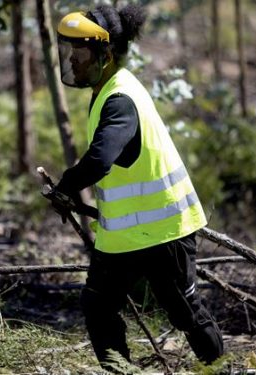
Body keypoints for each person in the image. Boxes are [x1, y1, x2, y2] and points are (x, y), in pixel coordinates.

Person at [52, 4, 224, 370]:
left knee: (186, 314)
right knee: (98, 307)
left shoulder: (120, 99)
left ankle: (217, 367)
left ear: (105, 54)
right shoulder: (108, 89)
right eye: (70, 51)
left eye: (78, 51)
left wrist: (67, 185)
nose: (72, 59)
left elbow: (100, 159)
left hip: (164, 232)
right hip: (125, 236)